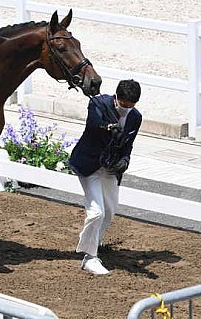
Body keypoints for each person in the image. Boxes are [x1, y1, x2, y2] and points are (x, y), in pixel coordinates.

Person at [68, 79, 142, 275]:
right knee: (96, 212)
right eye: (123, 104)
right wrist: (109, 127)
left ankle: (93, 240)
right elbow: (93, 124)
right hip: (90, 164)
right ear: (116, 97)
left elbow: (129, 145)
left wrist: (125, 160)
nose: (126, 109)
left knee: (109, 211)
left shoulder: (136, 117)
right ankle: (89, 257)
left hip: (110, 168)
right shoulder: (98, 103)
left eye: (131, 106)